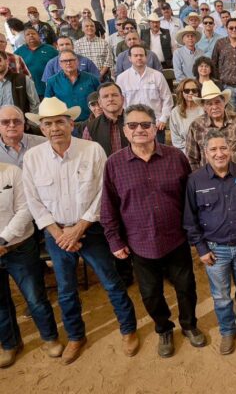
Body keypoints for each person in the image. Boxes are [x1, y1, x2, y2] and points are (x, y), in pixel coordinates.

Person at [22, 97, 139, 364]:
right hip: (57, 234)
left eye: (60, 122)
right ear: (42, 128)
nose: (55, 128)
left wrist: (79, 228)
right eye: (48, 124)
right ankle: (76, 336)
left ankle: (128, 329)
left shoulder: (92, 150)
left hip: (91, 229)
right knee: (66, 290)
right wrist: (60, 234)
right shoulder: (33, 158)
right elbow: (33, 201)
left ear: (71, 124)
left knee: (112, 282)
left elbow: (103, 193)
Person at [101, 103, 206, 358]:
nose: (139, 129)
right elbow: (108, 206)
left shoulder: (176, 157)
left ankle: (189, 325)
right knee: (150, 294)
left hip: (176, 238)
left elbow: (190, 199)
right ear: (125, 130)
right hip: (140, 243)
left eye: (145, 124)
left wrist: (195, 233)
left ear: (155, 127)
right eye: (133, 125)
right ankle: (164, 328)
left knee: (186, 287)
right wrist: (115, 240)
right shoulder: (114, 164)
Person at [184, 130, 236, 355]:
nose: (219, 153)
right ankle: (227, 330)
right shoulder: (195, 180)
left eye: (223, 148)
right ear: (205, 153)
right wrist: (201, 249)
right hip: (215, 250)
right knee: (221, 296)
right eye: (214, 149)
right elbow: (189, 219)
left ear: (231, 149)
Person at [0, 161, 62, 368]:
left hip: (19, 248)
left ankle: (50, 338)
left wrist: (3, 240)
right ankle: (10, 344)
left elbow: (25, 209)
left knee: (35, 297)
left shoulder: (12, 172)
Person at [185, 81, 236, 170]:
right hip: (208, 175)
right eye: (209, 104)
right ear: (204, 107)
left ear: (224, 102)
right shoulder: (196, 126)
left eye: (217, 102)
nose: (214, 107)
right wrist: (199, 177)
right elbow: (191, 159)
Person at [116, 45, 173, 142]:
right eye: (136, 55)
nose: (139, 58)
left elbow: (167, 98)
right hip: (132, 126)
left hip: (156, 124)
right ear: (130, 58)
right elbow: (121, 103)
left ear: (146, 57)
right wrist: (127, 122)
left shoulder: (157, 76)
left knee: (158, 151)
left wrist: (163, 119)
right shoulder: (122, 78)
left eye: (141, 55)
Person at [45, 50, 100, 122]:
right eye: (64, 61)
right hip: (65, 123)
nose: (68, 63)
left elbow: (101, 98)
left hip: (91, 121)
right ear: (60, 64)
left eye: (71, 60)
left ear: (77, 61)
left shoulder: (92, 78)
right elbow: (48, 104)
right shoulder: (52, 81)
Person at [14, 27, 57, 97]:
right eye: (28, 34)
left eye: (33, 33)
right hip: (29, 91)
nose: (31, 35)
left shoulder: (51, 49)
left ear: (39, 36)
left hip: (50, 89)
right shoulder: (18, 52)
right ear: (24, 38)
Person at [0, 51, 39, 128]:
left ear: (7, 61)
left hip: (20, 125)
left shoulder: (23, 79)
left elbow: (35, 104)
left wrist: (30, 123)